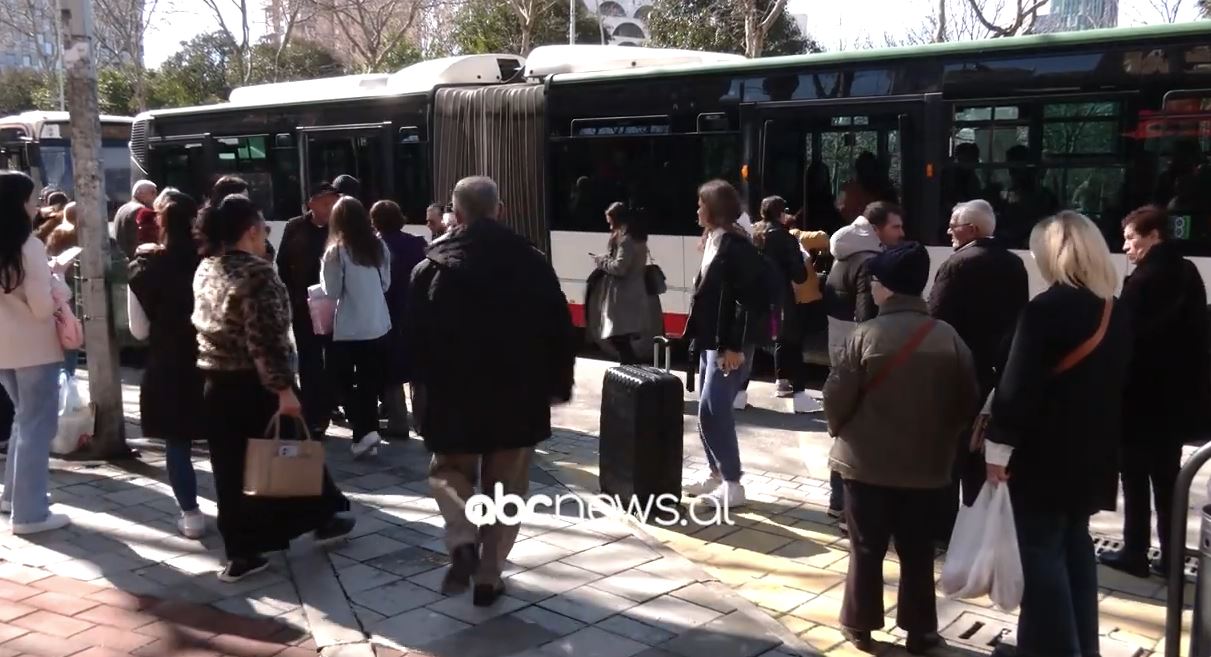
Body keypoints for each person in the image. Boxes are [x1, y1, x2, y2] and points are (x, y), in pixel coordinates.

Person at [410, 176, 575, 607]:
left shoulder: (430, 267)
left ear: (456, 214)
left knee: (446, 471)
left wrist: (419, 396)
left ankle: (462, 534)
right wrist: (558, 384)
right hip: (518, 395)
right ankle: (488, 574)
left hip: (453, 396)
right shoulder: (532, 263)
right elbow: (559, 330)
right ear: (498, 210)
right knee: (508, 490)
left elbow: (414, 340)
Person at [983, 211, 1129, 657]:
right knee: (1076, 550)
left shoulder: (1045, 310)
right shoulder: (1114, 308)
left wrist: (997, 450)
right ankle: (1082, 646)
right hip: (1094, 455)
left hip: (1044, 457)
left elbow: (1017, 388)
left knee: (1040, 559)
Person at [824, 241, 979, 654]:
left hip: (865, 465)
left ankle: (859, 623)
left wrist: (839, 430)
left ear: (886, 288)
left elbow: (837, 396)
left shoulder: (865, 335)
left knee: (866, 546)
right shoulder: (948, 337)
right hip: (926, 468)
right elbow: (968, 401)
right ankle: (920, 629)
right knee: (917, 550)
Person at [192, 193, 354, 582]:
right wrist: (283, 388)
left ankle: (244, 550)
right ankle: (308, 520)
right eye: (264, 228)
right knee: (287, 449)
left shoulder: (207, 268)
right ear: (250, 231)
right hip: (254, 383)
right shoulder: (259, 275)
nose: (266, 236)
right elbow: (266, 339)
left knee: (230, 470)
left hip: (215, 379)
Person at [1098, 205, 1209, 578]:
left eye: (1131, 238)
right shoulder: (1188, 272)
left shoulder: (1144, 280)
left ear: (1154, 236)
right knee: (1167, 479)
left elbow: (1126, 339)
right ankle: (1172, 556)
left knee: (1134, 476)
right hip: (1177, 399)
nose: (1126, 247)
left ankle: (1135, 551)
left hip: (1140, 397)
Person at [927, 199, 1028, 542]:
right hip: (995, 370)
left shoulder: (957, 264)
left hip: (958, 372)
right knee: (979, 448)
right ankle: (978, 525)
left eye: (953, 225)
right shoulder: (1015, 264)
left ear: (971, 229)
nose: (949, 231)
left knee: (950, 451)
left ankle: (943, 527)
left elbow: (936, 320)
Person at [681, 180, 770, 509]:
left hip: (729, 345)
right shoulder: (713, 241)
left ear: (714, 209)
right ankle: (717, 475)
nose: (697, 209)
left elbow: (747, 302)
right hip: (711, 342)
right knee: (707, 411)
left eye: (702, 204)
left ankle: (733, 484)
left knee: (713, 408)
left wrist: (732, 346)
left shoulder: (735, 247)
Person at [127, 189, 207, 539]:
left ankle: (190, 514)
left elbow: (138, 329)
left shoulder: (145, 267)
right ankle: (240, 509)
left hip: (169, 362)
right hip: (214, 360)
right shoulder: (214, 260)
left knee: (178, 442)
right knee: (224, 439)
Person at [823, 201, 904, 519]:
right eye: (896, 226)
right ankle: (847, 510)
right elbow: (866, 315)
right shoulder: (870, 261)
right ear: (875, 228)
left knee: (846, 429)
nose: (902, 232)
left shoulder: (846, 253)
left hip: (841, 352)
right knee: (858, 434)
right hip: (858, 358)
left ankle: (837, 502)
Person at [0, 171, 68, 534]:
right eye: (31, 198)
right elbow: (43, 308)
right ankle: (29, 513)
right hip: (34, 347)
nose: (36, 205)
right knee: (37, 426)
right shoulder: (30, 246)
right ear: (19, 203)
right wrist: (58, 280)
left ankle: (14, 496)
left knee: (22, 421)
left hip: (3, 348)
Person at [321, 196, 392, 458]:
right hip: (378, 324)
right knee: (369, 382)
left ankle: (365, 431)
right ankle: (366, 434)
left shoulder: (336, 251)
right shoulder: (378, 246)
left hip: (350, 327)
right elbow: (386, 284)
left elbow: (332, 291)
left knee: (340, 380)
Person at [277, 182, 341, 435]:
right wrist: (292, 293)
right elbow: (282, 262)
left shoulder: (340, 226)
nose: (330, 207)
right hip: (303, 303)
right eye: (325, 202)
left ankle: (330, 403)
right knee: (310, 360)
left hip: (335, 302)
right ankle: (314, 415)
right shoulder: (295, 227)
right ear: (311, 203)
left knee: (335, 358)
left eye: (333, 202)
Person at [752, 196, 814, 412]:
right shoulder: (785, 238)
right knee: (793, 342)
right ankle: (799, 395)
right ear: (781, 213)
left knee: (750, 343)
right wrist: (803, 256)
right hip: (780, 298)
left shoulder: (754, 234)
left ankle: (739, 394)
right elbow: (800, 276)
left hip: (756, 296)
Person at [370, 200, 426, 438]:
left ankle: (398, 421)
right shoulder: (417, 243)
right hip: (416, 312)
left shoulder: (374, 247)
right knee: (418, 370)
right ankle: (425, 421)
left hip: (387, 314)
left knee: (391, 371)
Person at [593, 202, 650, 366]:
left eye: (610, 222)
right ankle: (629, 368)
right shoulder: (637, 236)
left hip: (623, 295)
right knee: (621, 338)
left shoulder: (626, 240)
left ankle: (629, 370)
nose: (610, 226)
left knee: (618, 337)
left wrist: (601, 261)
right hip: (632, 293)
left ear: (617, 220)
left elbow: (619, 268)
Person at [837, 152, 898, 222]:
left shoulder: (885, 193)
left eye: (868, 169)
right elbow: (840, 212)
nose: (865, 173)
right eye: (862, 169)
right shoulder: (849, 189)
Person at [113, 180, 157, 259]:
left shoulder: (123, 208)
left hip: (125, 257)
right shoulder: (141, 210)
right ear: (139, 192)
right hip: (138, 258)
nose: (155, 196)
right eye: (152, 192)